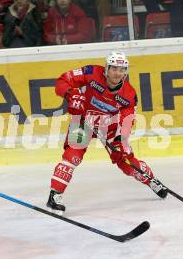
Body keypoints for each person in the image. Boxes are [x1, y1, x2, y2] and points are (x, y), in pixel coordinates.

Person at [46, 51, 168, 214]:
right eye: (114, 68)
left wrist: (122, 138)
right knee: (72, 156)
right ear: (106, 68)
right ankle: (55, 196)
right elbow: (62, 81)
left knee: (126, 162)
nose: (118, 73)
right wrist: (70, 94)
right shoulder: (91, 73)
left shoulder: (129, 94)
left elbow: (127, 119)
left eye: (122, 69)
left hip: (109, 127)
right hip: (82, 121)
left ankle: (151, 180)